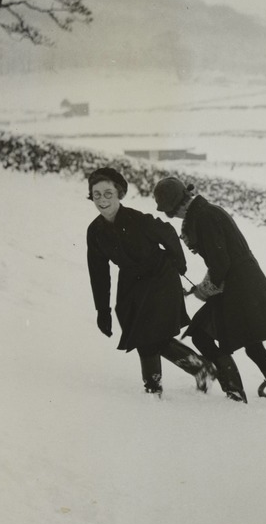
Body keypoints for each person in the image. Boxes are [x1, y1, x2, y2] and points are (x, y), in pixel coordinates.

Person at [152, 176, 266, 412]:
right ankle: (238, 393)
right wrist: (205, 288)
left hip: (242, 287)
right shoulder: (202, 214)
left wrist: (204, 290)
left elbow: (221, 262)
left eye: (170, 211)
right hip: (235, 285)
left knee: (251, 345)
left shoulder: (205, 216)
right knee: (206, 334)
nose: (173, 216)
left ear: (178, 204)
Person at [85, 167, 215, 397]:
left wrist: (179, 264)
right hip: (131, 284)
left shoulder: (137, 220)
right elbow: (98, 272)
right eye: (97, 194)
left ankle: (156, 387)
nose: (102, 200)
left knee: (152, 334)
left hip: (159, 277)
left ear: (119, 194)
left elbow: (167, 234)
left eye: (108, 193)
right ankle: (198, 369)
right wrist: (102, 310)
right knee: (141, 334)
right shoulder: (95, 231)